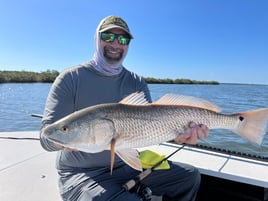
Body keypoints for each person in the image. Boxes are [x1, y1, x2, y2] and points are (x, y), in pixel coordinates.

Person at [40, 15, 209, 201]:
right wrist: (64, 139)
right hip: (82, 175)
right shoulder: (70, 79)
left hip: (128, 166)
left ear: (128, 45)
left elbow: (151, 129)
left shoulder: (136, 82)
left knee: (189, 177)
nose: (115, 44)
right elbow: (45, 137)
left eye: (123, 39)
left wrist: (180, 137)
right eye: (108, 37)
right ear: (97, 39)